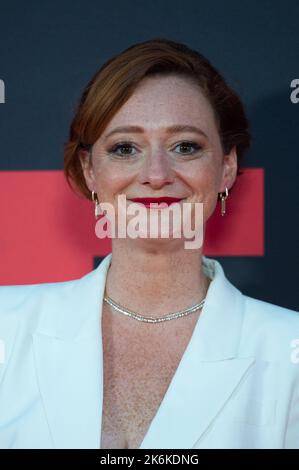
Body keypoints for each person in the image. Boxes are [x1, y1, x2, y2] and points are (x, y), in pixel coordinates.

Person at [0, 38, 298, 450]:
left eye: (185, 147)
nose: (156, 174)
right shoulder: (6, 325)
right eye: (125, 148)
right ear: (90, 170)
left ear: (226, 167)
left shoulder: (288, 350)